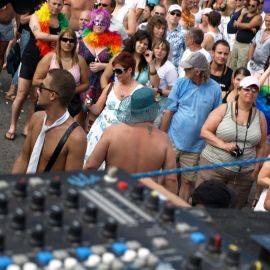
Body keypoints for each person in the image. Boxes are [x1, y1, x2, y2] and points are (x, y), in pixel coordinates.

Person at [84, 87, 178, 194]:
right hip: (143, 200)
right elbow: (171, 180)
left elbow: (90, 166)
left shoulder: (112, 132)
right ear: (153, 110)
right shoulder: (163, 140)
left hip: (113, 195)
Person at [198, 76, 267, 208]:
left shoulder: (260, 116)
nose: (250, 92)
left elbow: (261, 146)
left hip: (243, 174)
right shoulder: (224, 109)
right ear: (239, 90)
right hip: (214, 166)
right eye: (247, 89)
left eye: (254, 90)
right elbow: (205, 132)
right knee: (206, 206)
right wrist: (224, 145)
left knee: (233, 210)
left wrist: (256, 169)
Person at [160, 52, 222, 201]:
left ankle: (181, 211)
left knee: (188, 182)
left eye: (188, 68)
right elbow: (169, 110)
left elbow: (216, 118)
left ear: (198, 71)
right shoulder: (181, 83)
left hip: (196, 146)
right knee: (167, 177)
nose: (184, 71)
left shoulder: (215, 89)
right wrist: (161, 136)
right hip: (173, 140)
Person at [5, 0, 69, 140]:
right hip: (31, 59)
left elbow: (67, 41)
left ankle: (28, 125)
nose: (56, 7)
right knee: (21, 95)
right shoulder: (36, 16)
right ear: (48, 2)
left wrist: (59, 40)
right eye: (54, 3)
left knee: (36, 97)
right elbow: (39, 35)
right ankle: (12, 126)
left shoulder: (63, 21)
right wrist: (59, 38)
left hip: (47, 63)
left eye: (59, 4)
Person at [12, 69, 87, 174]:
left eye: (42, 87)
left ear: (52, 95)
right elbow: (23, 159)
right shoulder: (36, 118)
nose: (37, 90)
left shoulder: (76, 138)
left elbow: (70, 183)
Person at [84, 51, 144, 165]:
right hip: (98, 134)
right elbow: (97, 109)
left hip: (121, 139)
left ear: (130, 70)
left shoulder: (140, 91)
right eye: (114, 70)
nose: (115, 74)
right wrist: (89, 104)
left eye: (119, 71)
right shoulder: (111, 86)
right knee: (90, 168)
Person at [32, 28, 89, 117]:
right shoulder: (50, 57)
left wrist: (70, 91)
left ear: (75, 43)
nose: (68, 43)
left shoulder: (80, 61)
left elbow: (85, 84)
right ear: (59, 41)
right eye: (65, 40)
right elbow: (35, 80)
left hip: (69, 103)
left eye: (71, 40)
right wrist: (55, 87)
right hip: (49, 101)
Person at [79, 8, 122, 104]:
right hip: (84, 83)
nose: (99, 24)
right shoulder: (83, 40)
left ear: (107, 24)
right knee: (81, 111)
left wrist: (103, 66)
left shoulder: (113, 42)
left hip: (102, 84)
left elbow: (119, 64)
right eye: (97, 21)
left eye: (103, 22)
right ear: (92, 22)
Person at [231, 0, 263, 70]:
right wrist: (242, 15)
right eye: (249, 5)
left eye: (253, 6)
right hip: (237, 43)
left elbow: (248, 25)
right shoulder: (244, 14)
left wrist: (241, 25)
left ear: (257, 6)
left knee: (241, 67)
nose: (250, 7)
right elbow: (234, 25)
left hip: (246, 46)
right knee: (232, 64)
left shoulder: (258, 17)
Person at [166, 4, 185, 70]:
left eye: (178, 14)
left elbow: (186, 52)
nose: (175, 16)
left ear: (180, 17)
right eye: (172, 13)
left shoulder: (184, 33)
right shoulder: (161, 29)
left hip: (175, 69)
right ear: (168, 14)